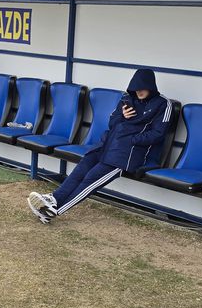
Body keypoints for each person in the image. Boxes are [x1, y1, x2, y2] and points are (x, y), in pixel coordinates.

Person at [28, 68, 173, 223]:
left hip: (127, 154)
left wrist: (131, 140)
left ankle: (55, 211)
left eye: (142, 88)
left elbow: (158, 134)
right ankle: (54, 199)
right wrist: (123, 116)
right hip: (105, 145)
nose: (139, 91)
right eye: (136, 87)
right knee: (80, 170)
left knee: (90, 180)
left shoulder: (163, 104)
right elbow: (112, 122)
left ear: (151, 86)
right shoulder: (126, 99)